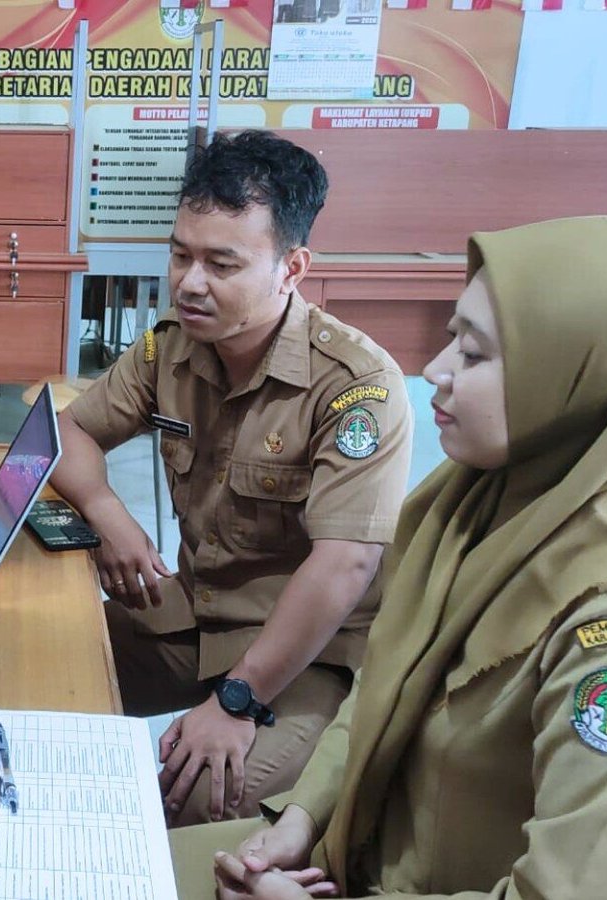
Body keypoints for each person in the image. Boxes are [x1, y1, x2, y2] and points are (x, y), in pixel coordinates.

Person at [177, 215, 607, 900]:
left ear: (586, 380)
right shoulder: (469, 508)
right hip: (343, 860)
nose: (434, 372)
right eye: (450, 341)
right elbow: (383, 691)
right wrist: (301, 819)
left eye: (474, 355)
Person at [53, 130, 412, 825]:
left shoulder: (356, 388)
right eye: (181, 254)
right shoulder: (170, 347)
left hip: (310, 655)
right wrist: (107, 513)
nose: (189, 282)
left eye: (222, 263)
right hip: (199, 614)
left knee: (190, 800)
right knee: (38, 674)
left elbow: (345, 565)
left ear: (291, 268)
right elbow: (64, 431)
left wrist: (239, 700)